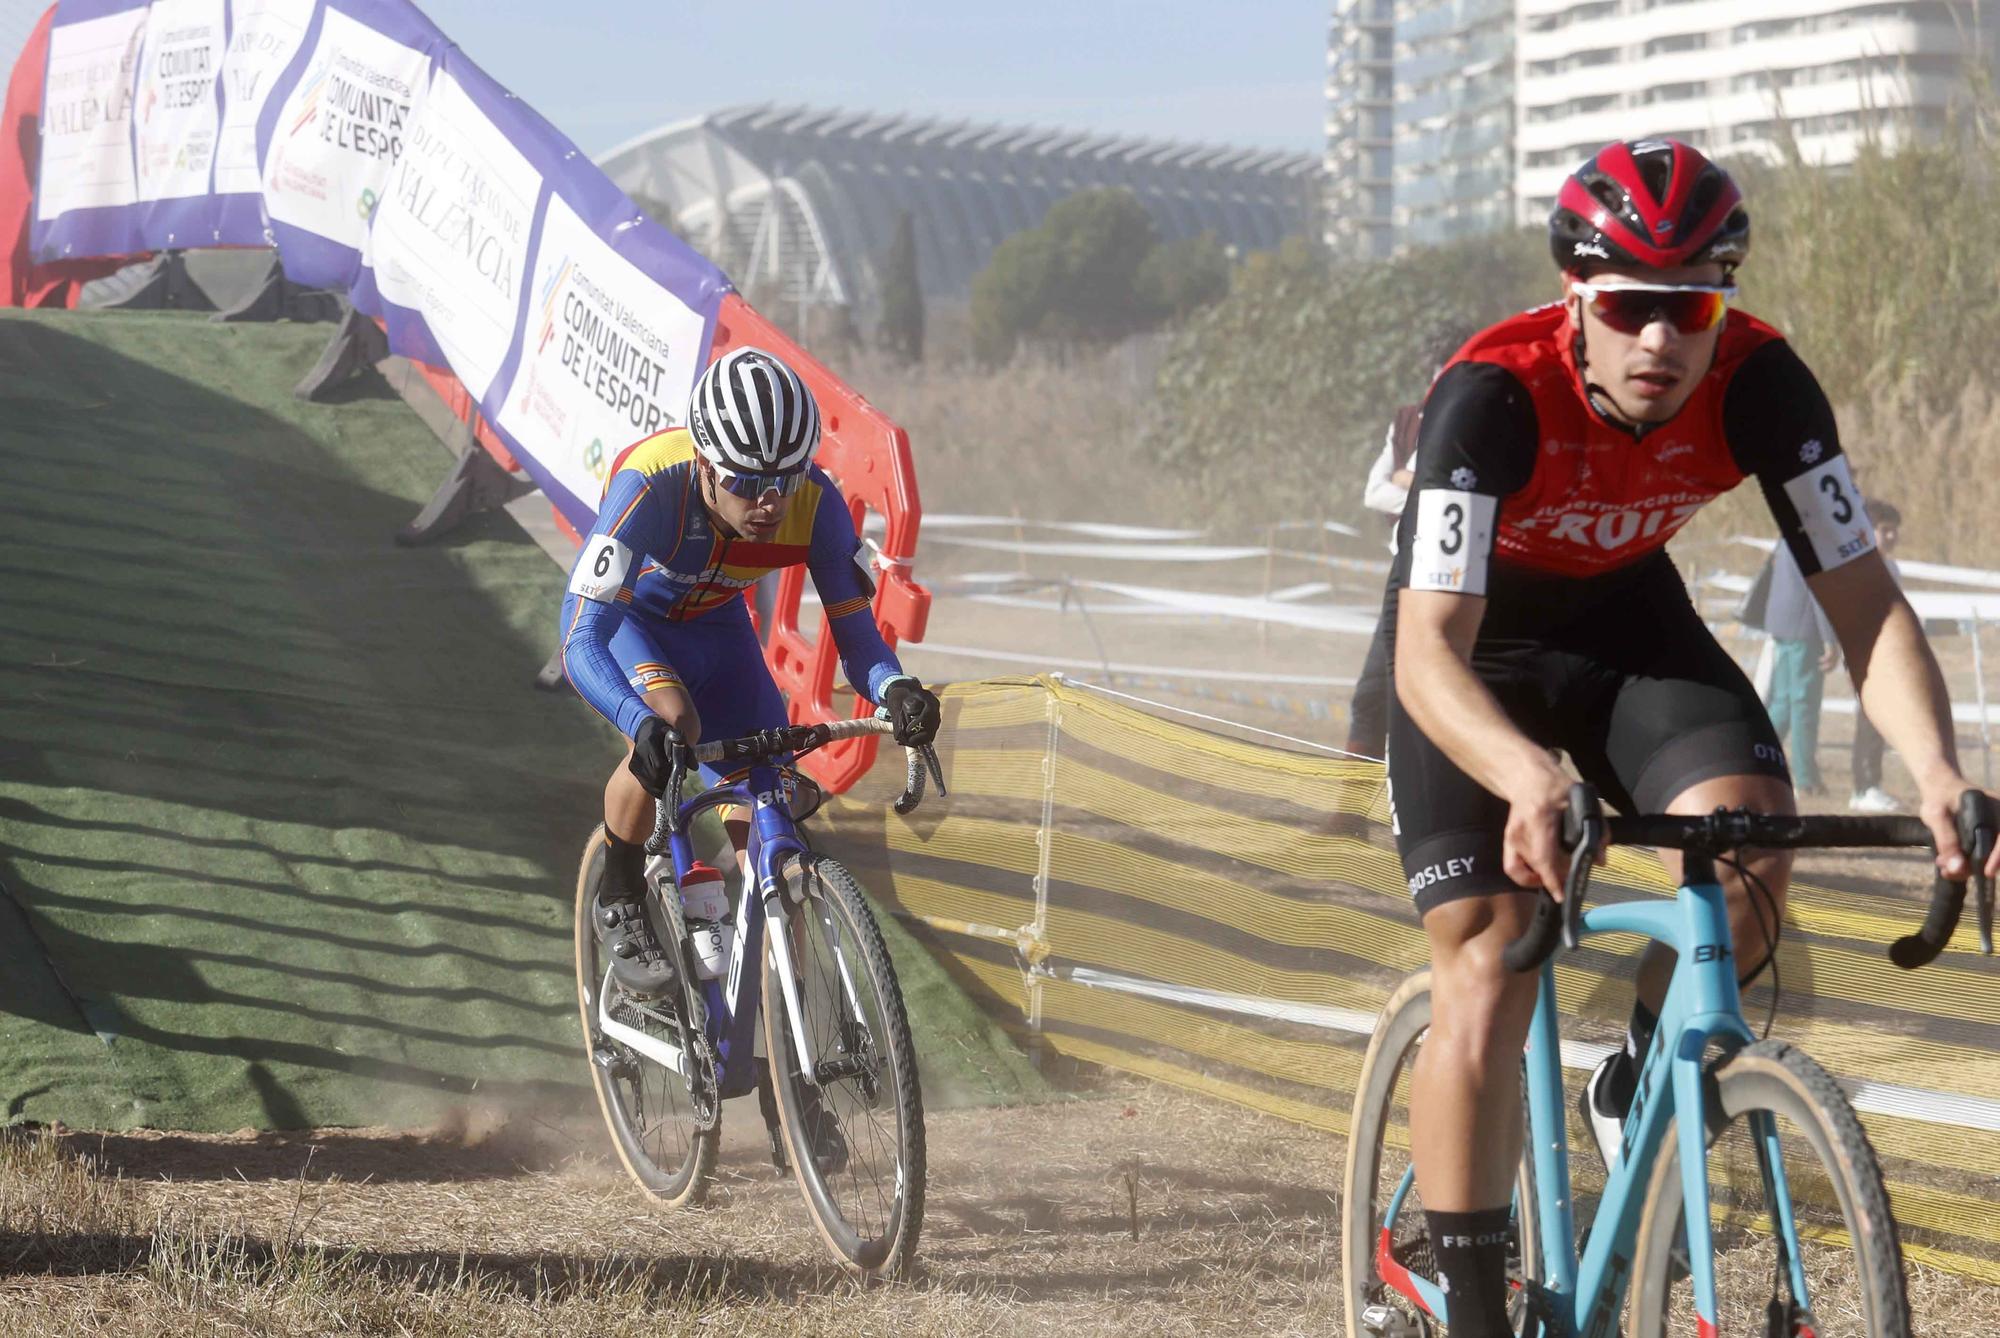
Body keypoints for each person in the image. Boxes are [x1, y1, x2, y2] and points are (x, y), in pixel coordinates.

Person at [1382, 138, 1999, 1336]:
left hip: (1623, 621)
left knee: (1751, 842)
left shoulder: (1764, 386)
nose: (1660, 339)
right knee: (1489, 947)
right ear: (1577, 297)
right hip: (1471, 649)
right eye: (1629, 306)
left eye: (1690, 307)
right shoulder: (1492, 395)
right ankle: (1467, 1307)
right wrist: (1523, 772)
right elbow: (1425, 653)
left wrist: (1935, 770)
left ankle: (1634, 1082)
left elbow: (1863, 609)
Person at [558, 347, 942, 995]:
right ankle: (619, 888)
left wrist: (893, 687)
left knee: (771, 825)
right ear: (705, 465)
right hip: (636, 624)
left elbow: (856, 635)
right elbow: (579, 634)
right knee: (674, 722)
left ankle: (778, 1043)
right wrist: (636, 720)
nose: (766, 503)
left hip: (720, 630)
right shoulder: (650, 485)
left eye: (782, 481)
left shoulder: (814, 504)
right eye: (744, 482)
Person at [1760, 539, 1840, 794]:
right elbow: (1819, 590)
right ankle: (1805, 780)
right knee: (1804, 705)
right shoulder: (1813, 537)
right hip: (1805, 631)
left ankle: (1757, 760)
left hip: (1781, 624)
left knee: (1782, 702)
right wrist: (1829, 638)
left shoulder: (1785, 537)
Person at [1850, 498, 1906, 812]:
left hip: (1888, 655)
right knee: (1869, 721)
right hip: (1866, 655)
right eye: (1884, 530)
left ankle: (1871, 785)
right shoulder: (1861, 570)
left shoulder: (1891, 567)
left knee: (1880, 721)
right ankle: (1864, 787)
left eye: (1894, 531)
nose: (1891, 537)